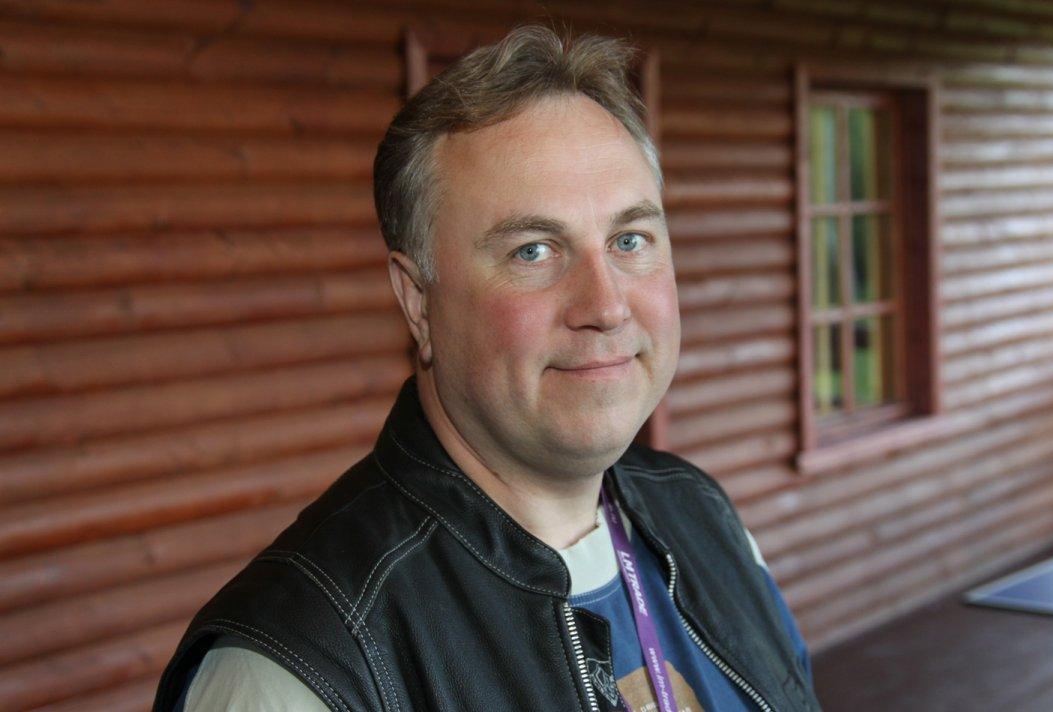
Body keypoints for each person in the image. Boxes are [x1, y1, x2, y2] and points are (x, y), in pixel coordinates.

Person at [154, 25, 820, 712]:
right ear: (418, 302)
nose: (606, 306)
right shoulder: (296, 669)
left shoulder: (702, 517)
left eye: (629, 240)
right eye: (533, 251)